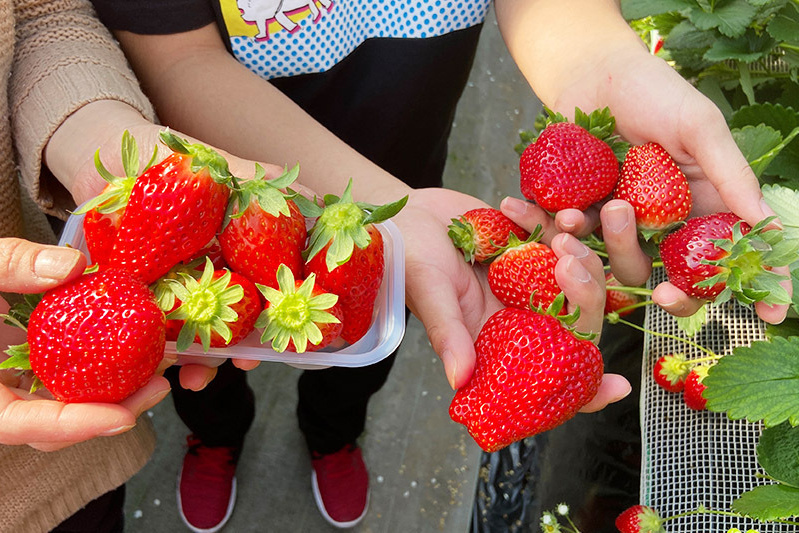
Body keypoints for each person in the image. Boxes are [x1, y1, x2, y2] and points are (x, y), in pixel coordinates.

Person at [87, 0, 789, 531]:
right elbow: (178, 59)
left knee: (362, 345)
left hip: (399, 186)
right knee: (206, 349)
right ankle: (214, 438)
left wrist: (613, 72)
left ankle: (334, 436)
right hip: (230, 198)